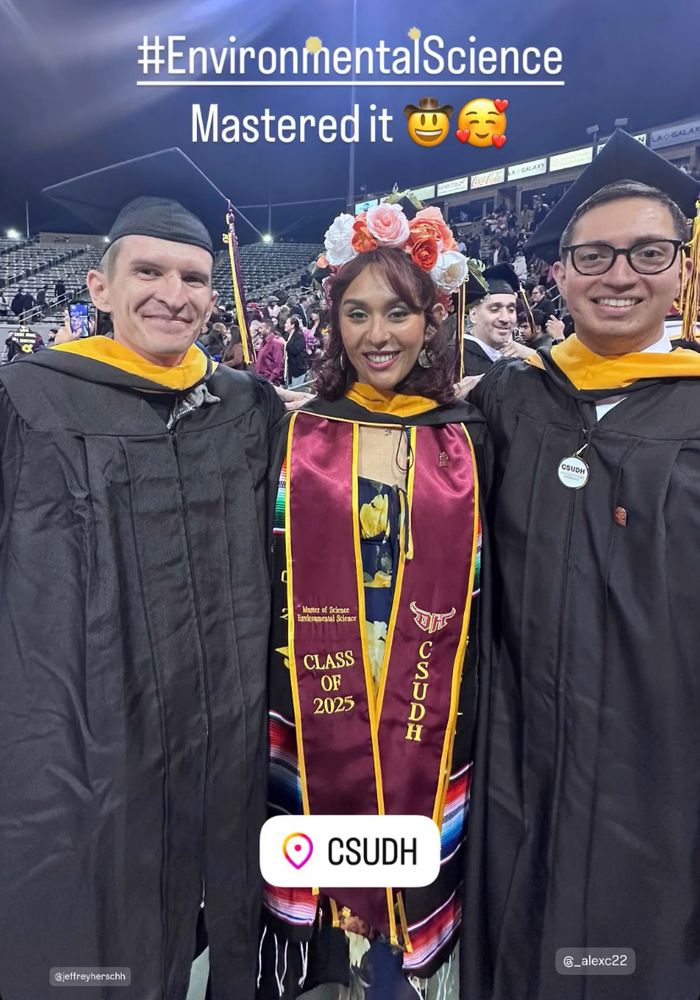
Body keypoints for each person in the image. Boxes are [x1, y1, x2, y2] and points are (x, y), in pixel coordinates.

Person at [0, 148, 283, 1000]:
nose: (175, 293)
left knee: (221, 906)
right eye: (149, 270)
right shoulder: (31, 400)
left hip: (225, 724)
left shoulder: (246, 406)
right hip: (95, 727)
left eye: (194, 276)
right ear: (99, 288)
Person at [463, 130, 700, 1000]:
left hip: (663, 751)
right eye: (593, 255)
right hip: (521, 738)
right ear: (557, 273)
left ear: (681, 266)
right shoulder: (511, 397)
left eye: (648, 252)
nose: (620, 274)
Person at [258, 199, 489, 1000]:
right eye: (357, 312)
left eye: (399, 311)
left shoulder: (471, 433)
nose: (378, 334)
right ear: (334, 320)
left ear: (432, 320)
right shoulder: (292, 434)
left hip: (430, 696)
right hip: (316, 692)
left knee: (402, 933)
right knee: (322, 930)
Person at [462, 263, 520, 375]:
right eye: (494, 309)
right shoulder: (455, 358)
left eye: (511, 309)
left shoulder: (519, 357)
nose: (505, 318)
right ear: (473, 314)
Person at [255, 320, 286, 385]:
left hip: (270, 381)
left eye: (261, 328)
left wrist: (270, 380)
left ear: (268, 329)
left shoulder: (276, 343)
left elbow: (278, 365)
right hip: (260, 379)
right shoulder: (263, 342)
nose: (259, 331)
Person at [284, 314, 310, 387]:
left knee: (297, 388)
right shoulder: (286, 335)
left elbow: (295, 350)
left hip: (298, 368)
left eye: (287, 323)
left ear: (292, 325)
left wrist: (285, 345)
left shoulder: (299, 336)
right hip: (289, 368)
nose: (284, 325)